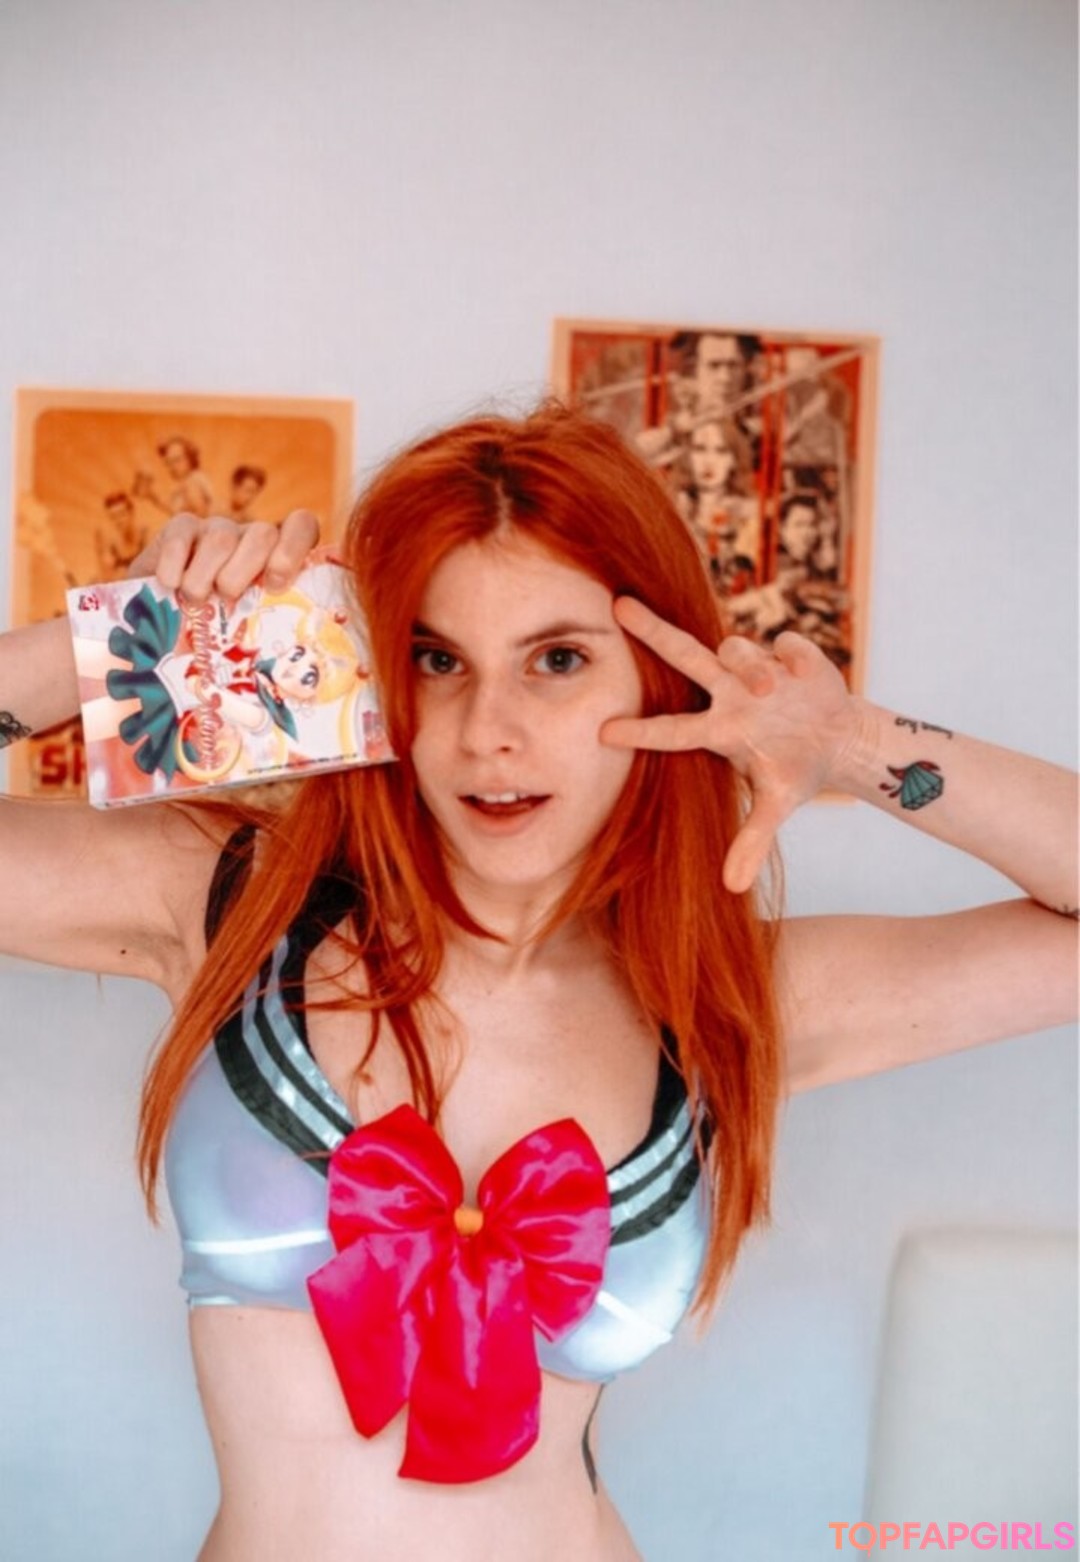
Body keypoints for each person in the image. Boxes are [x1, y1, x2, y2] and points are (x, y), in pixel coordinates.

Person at [0, 405, 1074, 1562]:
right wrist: (123, 633)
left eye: (557, 660)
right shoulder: (235, 905)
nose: (489, 731)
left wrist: (854, 742)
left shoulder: (726, 999)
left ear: (657, 683)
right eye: (437, 658)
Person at [133, 434, 215, 519]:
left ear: (190, 458)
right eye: (169, 462)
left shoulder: (192, 482)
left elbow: (200, 515)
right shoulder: (187, 482)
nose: (173, 467)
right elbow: (178, 512)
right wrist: (152, 496)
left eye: (177, 460)